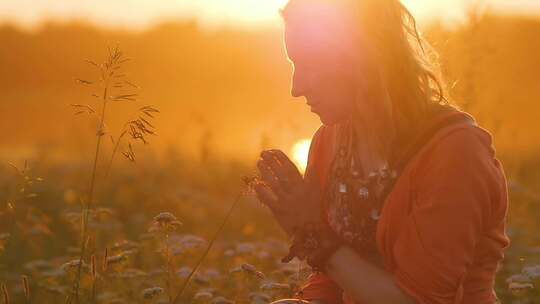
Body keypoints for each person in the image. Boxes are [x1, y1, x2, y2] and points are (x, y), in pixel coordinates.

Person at [253, 0, 511, 303]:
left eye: (310, 64)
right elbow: (332, 280)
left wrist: (315, 237)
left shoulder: (455, 154)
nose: (297, 87)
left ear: (361, 57)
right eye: (294, 64)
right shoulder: (330, 142)